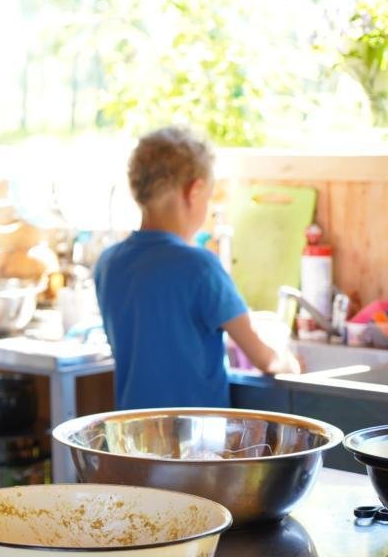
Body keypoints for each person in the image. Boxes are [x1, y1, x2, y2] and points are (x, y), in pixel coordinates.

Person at [93, 126, 299, 411]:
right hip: (194, 447)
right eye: (209, 197)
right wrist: (290, 363)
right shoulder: (200, 267)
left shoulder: (108, 263)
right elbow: (265, 359)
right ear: (195, 190)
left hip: (132, 439)